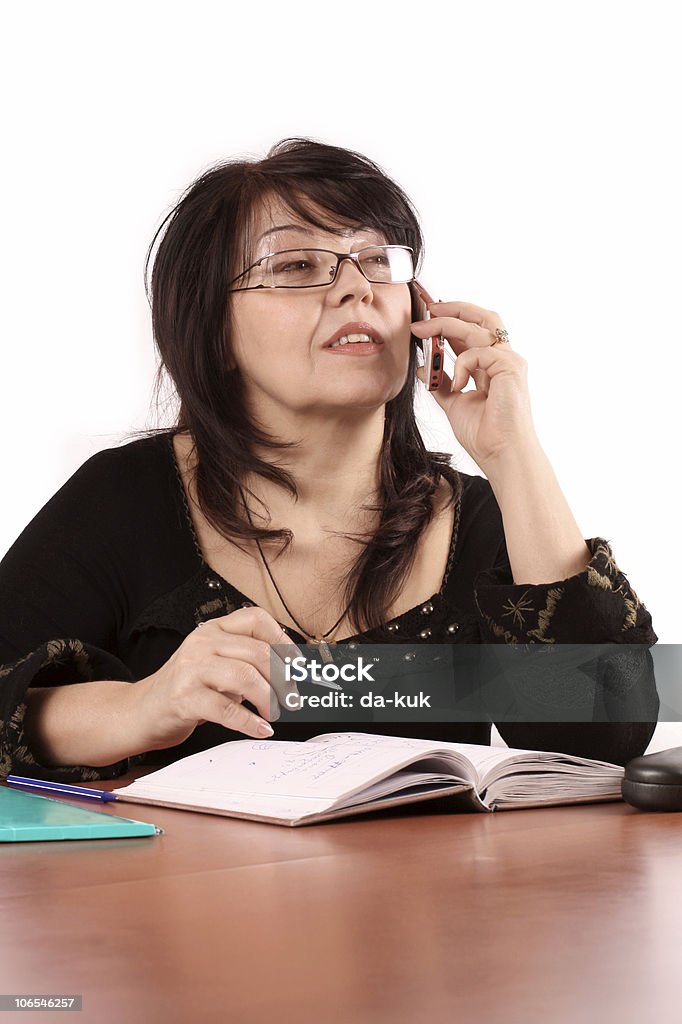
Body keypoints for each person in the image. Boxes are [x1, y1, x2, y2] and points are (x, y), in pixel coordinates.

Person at [0, 138, 658, 785]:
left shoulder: (483, 521)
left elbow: (605, 736)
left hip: (425, 894)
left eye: (376, 259)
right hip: (186, 892)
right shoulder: (125, 501)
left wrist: (513, 455)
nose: (355, 288)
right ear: (212, 329)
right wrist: (142, 706)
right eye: (294, 266)